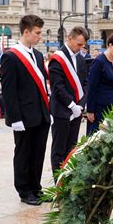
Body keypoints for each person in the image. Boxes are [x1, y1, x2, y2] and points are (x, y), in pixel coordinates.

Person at [0, 15, 50, 205]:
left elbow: (42, 86)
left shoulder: (37, 55)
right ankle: (24, 190)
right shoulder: (11, 56)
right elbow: (9, 91)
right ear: (26, 32)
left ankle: (36, 188)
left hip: (41, 114)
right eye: (37, 33)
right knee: (23, 154)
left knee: (38, 153)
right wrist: (15, 118)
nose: (40, 37)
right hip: (24, 116)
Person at [48, 27, 89, 177]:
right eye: (78, 44)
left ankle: (70, 180)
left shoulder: (80, 58)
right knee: (59, 149)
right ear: (69, 38)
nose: (80, 48)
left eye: (82, 45)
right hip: (62, 110)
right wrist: (71, 105)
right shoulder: (57, 58)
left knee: (71, 148)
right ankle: (59, 184)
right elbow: (57, 86)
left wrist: (81, 104)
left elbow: (85, 83)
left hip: (77, 110)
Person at [86, 31, 113, 134]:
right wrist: (90, 110)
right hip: (99, 107)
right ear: (110, 45)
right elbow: (91, 87)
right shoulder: (99, 61)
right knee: (97, 136)